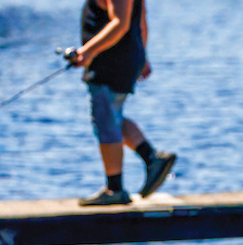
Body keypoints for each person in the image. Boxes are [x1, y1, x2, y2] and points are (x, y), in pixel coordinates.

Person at [66, 0, 176, 207]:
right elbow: (140, 18)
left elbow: (120, 23)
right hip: (123, 57)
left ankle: (114, 189)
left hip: (112, 61)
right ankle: (153, 160)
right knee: (112, 116)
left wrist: (88, 51)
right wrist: (142, 56)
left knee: (106, 121)